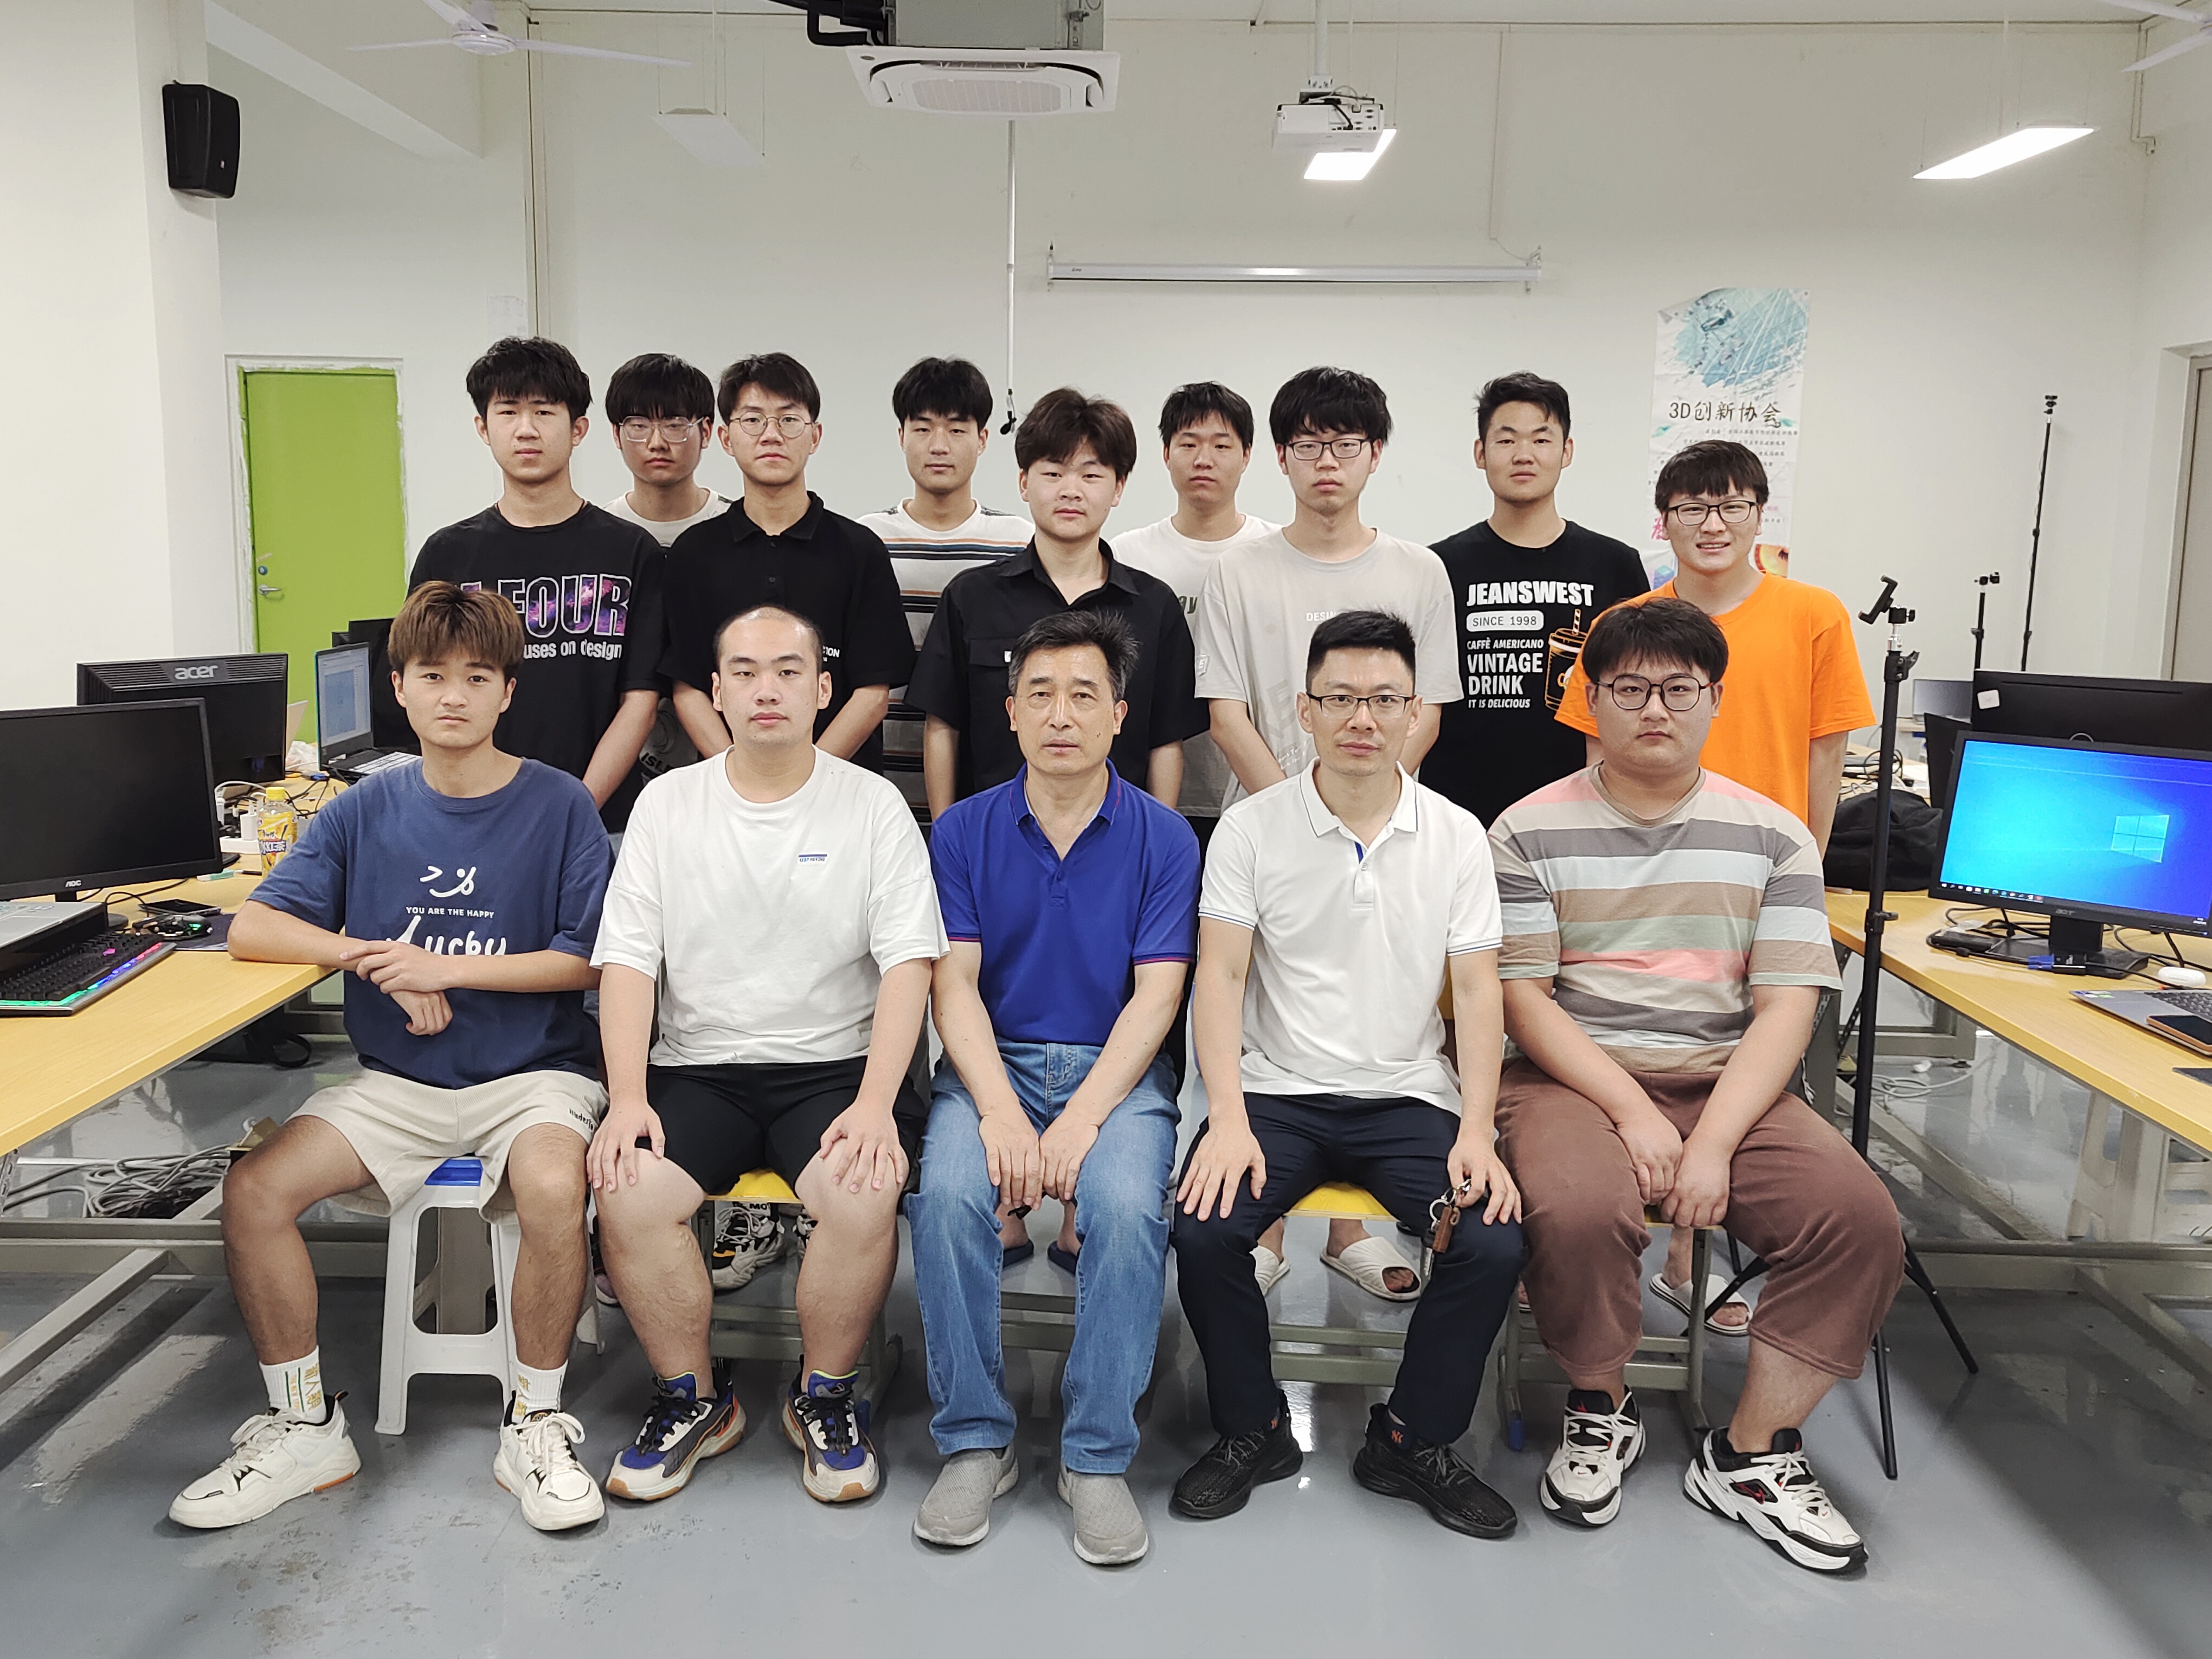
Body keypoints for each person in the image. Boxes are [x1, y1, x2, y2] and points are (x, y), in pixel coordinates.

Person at [172, 582, 612, 1534]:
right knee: (254, 1190)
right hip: (398, 1086)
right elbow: (253, 926)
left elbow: (585, 960)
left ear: (508, 692)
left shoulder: (561, 804)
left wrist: (442, 965)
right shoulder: (361, 808)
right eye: (432, 676)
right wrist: (371, 958)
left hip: (534, 1076)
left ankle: (534, 1422)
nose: (454, 696)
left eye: (478, 677)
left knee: (551, 1186)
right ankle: (305, 1426)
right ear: (399, 687)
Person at [1491, 597, 1899, 1572]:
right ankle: (1601, 1403)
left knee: (1859, 1220)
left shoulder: (1775, 836)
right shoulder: (1526, 829)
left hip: (1728, 1080)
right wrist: (1632, 1110)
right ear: (1591, 701)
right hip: (1571, 1080)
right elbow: (1525, 1001)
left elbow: (1788, 1007)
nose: (1654, 710)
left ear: (1716, 699)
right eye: (1629, 689)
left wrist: (1711, 1140)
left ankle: (1750, 1453)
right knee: (1579, 1207)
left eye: (1679, 690)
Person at [1169, 610, 1525, 1540]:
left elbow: (1478, 992)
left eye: (1383, 700)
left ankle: (1411, 1439)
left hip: (1408, 1097)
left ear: (1414, 712)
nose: (1362, 718)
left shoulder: (1456, 835)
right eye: (1340, 699)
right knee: (1204, 1230)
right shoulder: (1251, 828)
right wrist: (1226, 1116)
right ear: (1305, 711)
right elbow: (1221, 977)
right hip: (1277, 1096)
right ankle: (1254, 1430)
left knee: (1490, 1240)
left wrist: (1478, 1130)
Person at [587, 606, 946, 1506]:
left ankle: (824, 1394)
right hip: (696, 1068)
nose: (766, 690)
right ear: (716, 692)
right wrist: (627, 1097)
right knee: (626, 1189)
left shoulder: (872, 807)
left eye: (788, 671)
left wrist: (877, 1103)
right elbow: (627, 963)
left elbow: (909, 966)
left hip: (832, 1070)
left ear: (824, 689)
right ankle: (693, 1399)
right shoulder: (670, 805)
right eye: (744, 672)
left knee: (864, 1188)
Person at [1555, 439, 1873, 1324]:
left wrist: (1801, 876)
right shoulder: (1627, 620)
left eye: (1732, 505)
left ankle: (1696, 1256)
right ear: (1665, 521)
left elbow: (1826, 759)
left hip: (1758, 883)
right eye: (1691, 507)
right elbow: (1597, 757)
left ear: (1760, 514)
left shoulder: (1813, 615)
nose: (1712, 523)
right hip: (1643, 884)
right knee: (1636, 1051)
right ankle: (1604, 1247)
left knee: (1743, 1061)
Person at [908, 609, 1199, 1566]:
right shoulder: (961, 831)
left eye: (1084, 695)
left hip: (1115, 1074)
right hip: (992, 1064)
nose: (1061, 715)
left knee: (1124, 1204)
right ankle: (975, 1440)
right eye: (1040, 694)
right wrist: (998, 1109)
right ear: (1010, 712)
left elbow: (1158, 996)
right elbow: (953, 983)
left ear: (1120, 714)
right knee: (948, 1196)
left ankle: (1095, 1454)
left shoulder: (1165, 837)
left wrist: (1078, 1120)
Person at [1193, 366, 1461, 1298]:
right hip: (1268, 830)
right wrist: (1300, 814)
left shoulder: (1418, 571)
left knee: (1369, 1010)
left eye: (1346, 443)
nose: (1327, 462)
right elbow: (1225, 710)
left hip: (1384, 833)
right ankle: (1262, 1227)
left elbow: (1426, 709)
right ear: (1281, 456)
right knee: (1273, 1022)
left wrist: (1360, 806)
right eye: (1308, 444)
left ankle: (1352, 1231)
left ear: (1376, 454)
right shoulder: (1238, 570)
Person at [409, 336, 667, 835]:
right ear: (483, 427)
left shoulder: (631, 552)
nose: (526, 429)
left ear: (578, 429)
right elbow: (428, 690)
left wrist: (573, 811)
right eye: (508, 412)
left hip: (603, 825)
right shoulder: (447, 555)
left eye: (544, 412)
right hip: (479, 822)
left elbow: (641, 701)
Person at [909, 387, 1205, 815]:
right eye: (1053, 474)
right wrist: (947, 835)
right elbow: (942, 727)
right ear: (1024, 483)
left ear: (1118, 488)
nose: (1071, 491)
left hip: (1118, 839)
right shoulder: (971, 598)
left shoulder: (1154, 606)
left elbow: (1166, 741)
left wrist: (1157, 840)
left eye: (1091, 476)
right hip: (994, 838)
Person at [660, 352, 913, 771]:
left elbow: (872, 694)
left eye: (789, 420)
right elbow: (689, 688)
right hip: (727, 793)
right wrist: (739, 779)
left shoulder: (859, 549)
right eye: (753, 420)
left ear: (815, 436)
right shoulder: (693, 553)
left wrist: (807, 781)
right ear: (725, 438)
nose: (771, 435)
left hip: (840, 788)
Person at [1424, 371, 1649, 829]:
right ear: (1480, 453)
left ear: (1567, 452)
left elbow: (1640, 690)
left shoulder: (1614, 565)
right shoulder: (1437, 567)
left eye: (1541, 440)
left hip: (1584, 813)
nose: (1523, 454)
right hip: (1459, 815)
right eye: (1506, 440)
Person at [858, 357, 1033, 820]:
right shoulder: (864, 541)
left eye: (957, 430)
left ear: (982, 439)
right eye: (923, 429)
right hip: (875, 788)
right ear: (901, 436)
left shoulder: (1019, 544)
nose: (939, 446)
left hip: (987, 793)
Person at [1111, 381, 1279, 851]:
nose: (1204, 459)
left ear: (1247, 456)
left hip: (1255, 790)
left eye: (1221, 446)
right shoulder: (1127, 556)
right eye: (1188, 445)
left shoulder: (1276, 553)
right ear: (1166, 454)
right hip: (1149, 792)